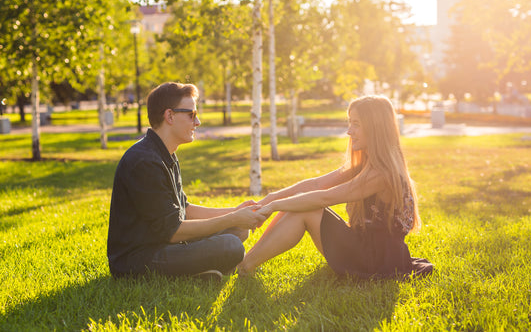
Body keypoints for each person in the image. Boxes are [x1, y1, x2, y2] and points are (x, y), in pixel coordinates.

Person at [238, 95, 433, 279]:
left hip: (375, 261)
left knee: (307, 209)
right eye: (350, 123)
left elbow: (325, 198)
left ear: (375, 128)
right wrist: (268, 199)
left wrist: (273, 207)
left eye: (356, 124)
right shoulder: (365, 165)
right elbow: (316, 184)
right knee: (298, 204)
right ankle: (244, 262)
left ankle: (245, 266)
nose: (349, 131)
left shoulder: (381, 174)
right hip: (365, 249)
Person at [107, 82, 265, 280]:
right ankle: (192, 275)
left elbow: (185, 210)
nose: (197, 122)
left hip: (164, 244)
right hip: (138, 260)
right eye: (191, 114)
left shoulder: (165, 153)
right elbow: (173, 231)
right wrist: (232, 218)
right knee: (230, 245)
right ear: (170, 116)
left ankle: (198, 272)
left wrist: (236, 212)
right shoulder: (144, 161)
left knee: (239, 230)